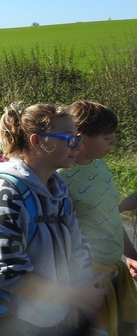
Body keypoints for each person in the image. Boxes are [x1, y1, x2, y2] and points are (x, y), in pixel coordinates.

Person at [0, 103, 105, 336]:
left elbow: (77, 245)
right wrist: (75, 295)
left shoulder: (58, 188)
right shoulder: (6, 194)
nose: (77, 145)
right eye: (68, 138)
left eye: (78, 138)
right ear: (36, 141)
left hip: (56, 314)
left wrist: (80, 297)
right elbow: (8, 272)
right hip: (14, 320)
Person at [58, 100, 137, 336]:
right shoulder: (62, 177)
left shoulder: (101, 166)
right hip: (90, 278)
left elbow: (109, 215)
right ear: (80, 137)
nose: (113, 141)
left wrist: (130, 254)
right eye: (106, 136)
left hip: (115, 270)